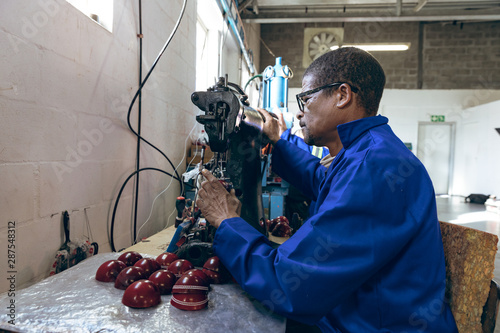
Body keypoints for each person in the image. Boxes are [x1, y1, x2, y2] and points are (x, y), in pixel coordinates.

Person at [196, 47, 458, 332]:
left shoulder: (375, 169)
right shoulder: (370, 151)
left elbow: (287, 284)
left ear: (342, 95)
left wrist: (227, 222)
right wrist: (279, 141)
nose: (299, 112)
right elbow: (320, 180)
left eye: (306, 98)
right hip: (357, 313)